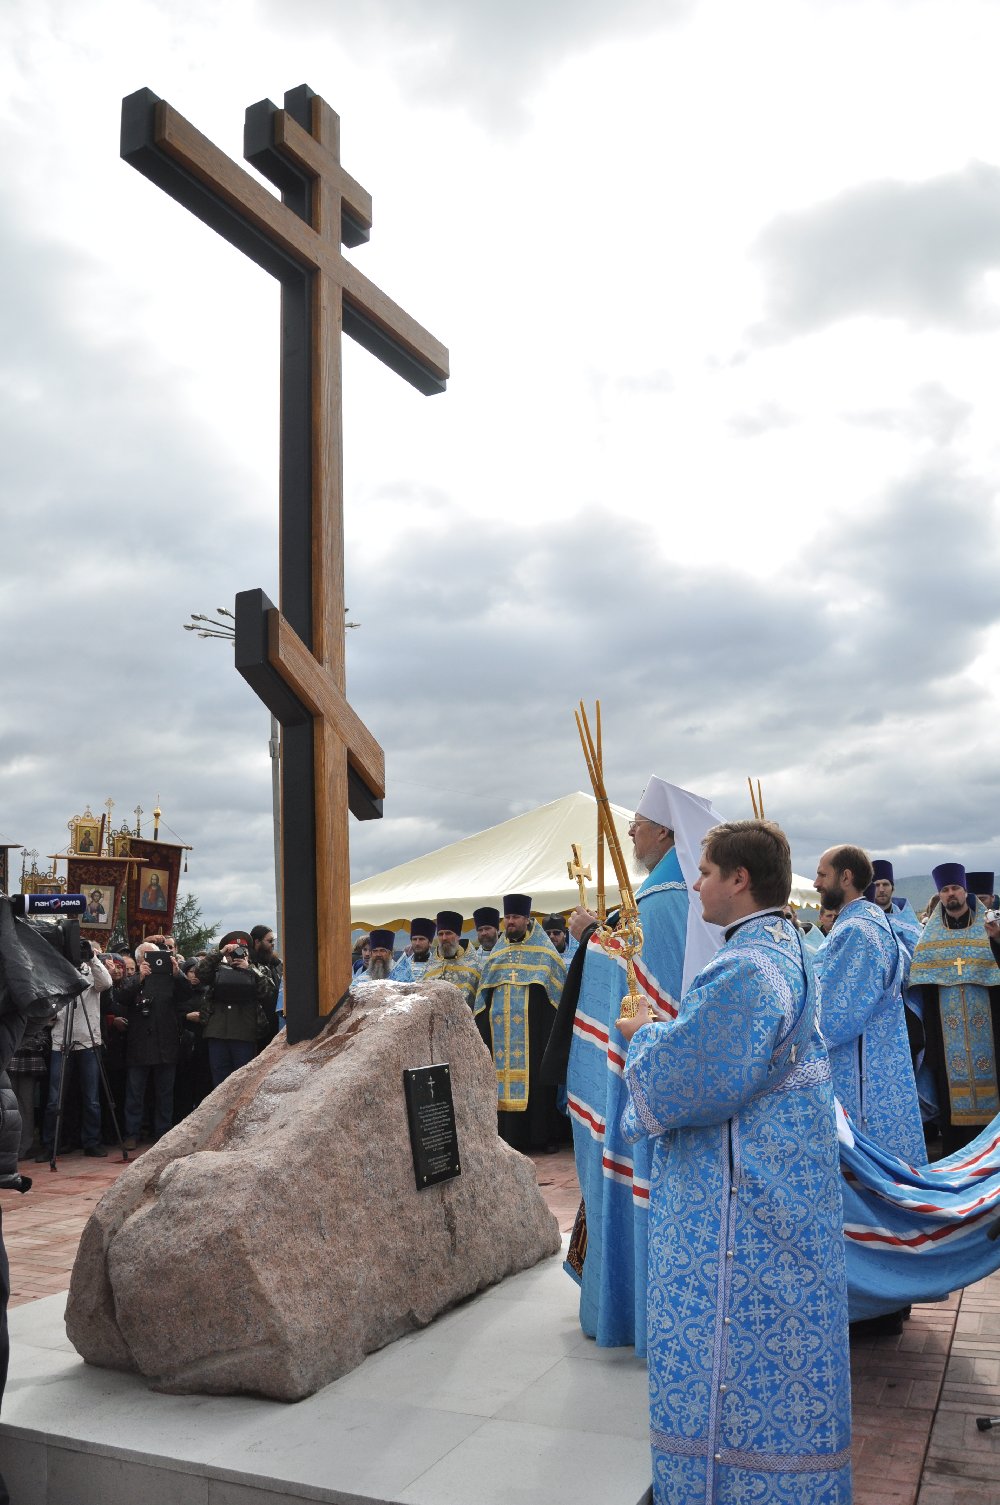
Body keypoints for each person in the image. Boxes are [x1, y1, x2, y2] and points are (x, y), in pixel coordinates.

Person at [617, 819, 851, 1504]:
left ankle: (723, 1488)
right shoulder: (786, 943)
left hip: (740, 1202)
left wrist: (641, 1037)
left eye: (706, 872)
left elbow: (694, 1079)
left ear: (739, 879)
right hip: (776, 1181)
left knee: (731, 1355)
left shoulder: (745, 967)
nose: (695, 885)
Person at [553, 775, 724, 1354]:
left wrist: (590, 936)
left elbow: (626, 986)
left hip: (643, 1078)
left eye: (639, 825)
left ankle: (634, 1310)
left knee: (636, 1178)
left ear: (666, 833)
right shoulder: (692, 899)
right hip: (689, 1076)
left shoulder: (654, 904)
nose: (630, 833)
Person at [814, 844, 925, 1163]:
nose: (817, 883)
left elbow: (837, 1017)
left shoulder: (857, 931)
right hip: (876, 1060)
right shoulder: (864, 921)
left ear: (845, 877)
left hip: (861, 1077)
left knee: (869, 1173)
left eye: (822, 875)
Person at [909, 862, 1000, 1154]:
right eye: (946, 890)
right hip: (948, 1042)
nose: (951, 894)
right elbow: (924, 989)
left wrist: (997, 940)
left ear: (965, 891)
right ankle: (957, 1161)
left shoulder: (988, 929)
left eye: (956, 888)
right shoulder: (930, 937)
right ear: (940, 895)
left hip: (991, 1033)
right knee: (952, 1108)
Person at [474, 894, 565, 1151]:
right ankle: (509, 1138)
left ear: (527, 919)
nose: (510, 922)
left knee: (538, 1083)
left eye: (515, 917)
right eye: (507, 917)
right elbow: (483, 995)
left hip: (536, 1034)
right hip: (500, 1035)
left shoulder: (545, 953)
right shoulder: (498, 953)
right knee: (501, 1083)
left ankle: (542, 1137)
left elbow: (557, 996)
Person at [113, 939, 196, 1147]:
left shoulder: (171, 978)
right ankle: (132, 1133)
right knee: (135, 1093)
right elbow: (121, 997)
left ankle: (163, 1133)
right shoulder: (134, 979)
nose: (153, 961)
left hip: (166, 1043)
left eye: (157, 957)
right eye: (147, 957)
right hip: (139, 1044)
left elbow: (187, 993)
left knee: (165, 1093)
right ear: (139, 960)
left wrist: (178, 973)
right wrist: (139, 977)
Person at [37, 944, 113, 1160]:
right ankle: (51, 1144)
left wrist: (92, 958)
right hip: (61, 1041)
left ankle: (92, 1142)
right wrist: (49, 1016)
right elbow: (47, 1000)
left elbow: (106, 983)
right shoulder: (56, 969)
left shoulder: (90, 971)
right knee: (54, 1099)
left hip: (88, 1041)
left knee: (92, 1098)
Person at [197, 932, 277, 1087]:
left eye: (241, 951)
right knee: (219, 1079)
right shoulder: (217, 970)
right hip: (218, 1031)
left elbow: (268, 992)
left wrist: (250, 969)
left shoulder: (257, 970)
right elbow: (200, 973)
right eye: (232, 952)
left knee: (243, 1079)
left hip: (244, 1031)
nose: (236, 955)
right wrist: (220, 954)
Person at [420, 912, 481, 1006]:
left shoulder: (474, 966)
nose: (444, 938)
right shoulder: (430, 967)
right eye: (440, 934)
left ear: (458, 936)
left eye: (448, 933)